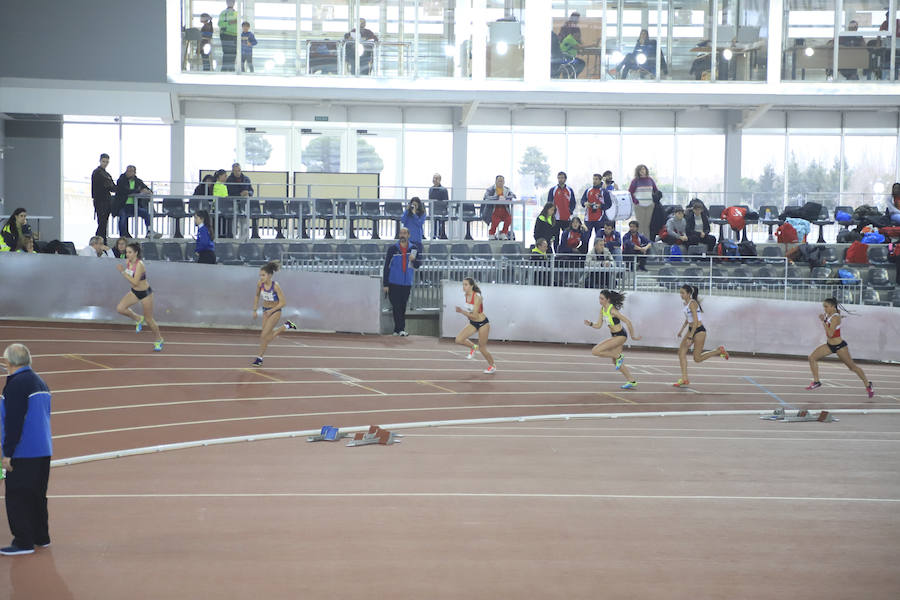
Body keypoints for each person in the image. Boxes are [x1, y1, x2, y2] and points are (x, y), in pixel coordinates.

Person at [0, 343, 52, 556]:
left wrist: (8, 452)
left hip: (23, 451)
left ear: (9, 362)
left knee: (17, 495)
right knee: (37, 495)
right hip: (43, 449)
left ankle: (23, 541)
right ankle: (41, 537)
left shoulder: (15, 385)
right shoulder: (40, 382)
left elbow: (13, 421)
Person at [805, 298, 874, 398]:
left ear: (832, 307)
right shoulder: (833, 313)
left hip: (840, 346)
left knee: (852, 367)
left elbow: (830, 334)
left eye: (826, 307)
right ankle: (816, 382)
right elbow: (838, 313)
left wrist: (823, 321)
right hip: (829, 346)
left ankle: (868, 385)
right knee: (812, 358)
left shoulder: (835, 318)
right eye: (823, 306)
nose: (824, 309)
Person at [673, 284, 729, 387]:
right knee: (681, 353)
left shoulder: (692, 303)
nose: (680, 295)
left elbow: (695, 321)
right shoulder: (685, 304)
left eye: (683, 293)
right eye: (680, 292)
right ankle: (685, 379)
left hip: (699, 331)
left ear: (689, 294)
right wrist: (681, 330)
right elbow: (688, 318)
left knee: (697, 359)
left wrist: (690, 337)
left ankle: (719, 350)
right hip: (691, 330)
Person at [584, 290, 641, 389]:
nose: (600, 300)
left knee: (595, 351)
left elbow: (628, 322)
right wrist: (591, 324)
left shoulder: (613, 310)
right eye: (599, 298)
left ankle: (618, 355)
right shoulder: (602, 310)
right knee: (615, 361)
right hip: (615, 336)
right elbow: (598, 325)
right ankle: (631, 381)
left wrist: (633, 336)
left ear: (608, 299)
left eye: (602, 298)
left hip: (621, 336)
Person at [115, 242, 164, 352]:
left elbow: (135, 282)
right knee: (120, 309)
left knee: (149, 319)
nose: (127, 254)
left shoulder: (140, 264)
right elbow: (131, 280)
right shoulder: (128, 262)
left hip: (145, 294)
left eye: (130, 252)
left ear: (136, 253)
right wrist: (125, 270)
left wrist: (122, 271)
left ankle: (159, 339)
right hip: (134, 292)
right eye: (126, 252)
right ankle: (138, 318)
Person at [251, 261, 297, 366]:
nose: (261, 277)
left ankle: (259, 358)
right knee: (266, 336)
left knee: (263, 336)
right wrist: (254, 310)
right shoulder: (260, 284)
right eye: (260, 275)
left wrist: (271, 311)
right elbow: (257, 296)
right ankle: (286, 326)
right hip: (265, 310)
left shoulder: (275, 286)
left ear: (270, 275)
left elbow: (283, 303)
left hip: (275, 311)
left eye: (263, 275)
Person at [382, 227, 421, 336]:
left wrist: (414, 260)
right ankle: (398, 329)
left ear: (408, 235)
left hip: (407, 282)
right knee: (396, 306)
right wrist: (386, 284)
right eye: (401, 233)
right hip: (393, 282)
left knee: (403, 306)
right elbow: (386, 267)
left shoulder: (413, 248)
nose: (402, 235)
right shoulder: (392, 249)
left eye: (404, 233)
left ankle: (400, 329)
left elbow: (418, 265)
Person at [454, 277, 496, 374]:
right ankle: (473, 347)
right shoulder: (466, 295)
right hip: (473, 323)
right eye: (463, 284)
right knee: (459, 340)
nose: (463, 287)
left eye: (466, 285)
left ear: (471, 286)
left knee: (482, 348)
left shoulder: (477, 297)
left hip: (482, 323)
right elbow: (471, 314)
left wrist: (461, 311)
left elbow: (475, 315)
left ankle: (492, 366)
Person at [115, 166, 159, 239]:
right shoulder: (121, 180)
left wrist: (148, 191)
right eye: (127, 171)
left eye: (130, 171)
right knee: (122, 217)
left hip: (134, 206)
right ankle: (122, 236)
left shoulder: (138, 181)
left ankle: (150, 231)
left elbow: (147, 189)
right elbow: (125, 191)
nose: (128, 173)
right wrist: (138, 191)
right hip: (122, 205)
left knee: (145, 213)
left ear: (134, 172)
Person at [581, 173, 613, 248]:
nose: (594, 181)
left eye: (596, 179)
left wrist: (600, 206)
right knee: (585, 239)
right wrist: (585, 203)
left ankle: (597, 257)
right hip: (588, 219)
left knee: (599, 240)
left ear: (600, 180)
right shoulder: (588, 190)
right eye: (593, 179)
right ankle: (583, 258)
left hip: (600, 219)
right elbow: (582, 201)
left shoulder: (604, 191)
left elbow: (609, 204)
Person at [628, 164, 659, 239]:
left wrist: (655, 199)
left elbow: (656, 190)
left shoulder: (650, 180)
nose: (642, 171)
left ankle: (647, 242)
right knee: (640, 225)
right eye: (641, 169)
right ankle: (639, 241)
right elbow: (630, 192)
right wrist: (635, 201)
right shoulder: (635, 181)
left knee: (647, 225)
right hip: (639, 206)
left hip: (650, 205)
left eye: (644, 169)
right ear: (638, 171)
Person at [547, 171, 576, 249]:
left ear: (565, 179)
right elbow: (549, 203)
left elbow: (573, 203)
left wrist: (570, 211)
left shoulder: (570, 190)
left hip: (566, 219)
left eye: (562, 178)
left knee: (566, 237)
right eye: (559, 178)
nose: (560, 179)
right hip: (555, 218)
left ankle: (564, 253)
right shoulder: (553, 190)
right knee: (555, 237)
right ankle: (556, 254)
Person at [91, 153, 116, 243]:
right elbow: (110, 186)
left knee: (103, 223)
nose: (105, 163)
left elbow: (112, 187)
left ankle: (101, 241)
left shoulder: (105, 174)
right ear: (100, 161)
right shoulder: (98, 173)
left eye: (107, 162)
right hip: (100, 201)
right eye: (104, 161)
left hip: (106, 201)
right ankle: (100, 241)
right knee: (102, 223)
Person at [483, 175, 515, 240]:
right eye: (499, 181)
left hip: (504, 210)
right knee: (495, 221)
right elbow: (486, 197)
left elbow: (512, 195)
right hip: (494, 210)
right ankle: (491, 234)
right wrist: (496, 198)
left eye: (502, 181)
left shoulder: (507, 190)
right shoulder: (490, 189)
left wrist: (507, 198)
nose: (500, 182)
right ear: (496, 181)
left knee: (509, 219)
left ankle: (503, 233)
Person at [226, 163, 253, 238]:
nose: (237, 172)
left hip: (244, 203)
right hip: (233, 203)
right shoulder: (229, 180)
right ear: (232, 171)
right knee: (234, 221)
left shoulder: (246, 179)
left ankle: (244, 238)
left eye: (239, 170)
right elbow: (230, 192)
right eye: (235, 171)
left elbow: (251, 190)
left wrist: (248, 193)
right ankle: (234, 237)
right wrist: (240, 194)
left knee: (244, 220)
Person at [218, 0, 239, 72]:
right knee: (227, 52)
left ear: (234, 3)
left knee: (234, 53)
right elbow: (220, 24)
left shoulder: (237, 13)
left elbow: (239, 25)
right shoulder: (223, 13)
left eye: (232, 2)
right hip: (226, 35)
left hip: (235, 35)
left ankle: (231, 69)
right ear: (226, 3)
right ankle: (224, 69)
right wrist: (230, 22)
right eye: (229, 2)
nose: (231, 3)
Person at [428, 173, 449, 240]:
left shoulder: (443, 189)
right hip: (433, 210)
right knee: (434, 222)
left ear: (440, 180)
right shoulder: (431, 189)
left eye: (436, 178)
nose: (434, 180)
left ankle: (442, 235)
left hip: (442, 210)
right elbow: (430, 201)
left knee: (441, 223)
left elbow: (446, 201)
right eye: (433, 178)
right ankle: (434, 235)